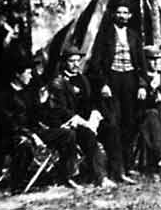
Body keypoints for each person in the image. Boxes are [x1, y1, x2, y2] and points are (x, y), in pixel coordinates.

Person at [0, 53, 79, 191]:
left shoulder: (29, 91)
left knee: (68, 134)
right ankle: (17, 182)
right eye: (28, 73)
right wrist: (31, 135)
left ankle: (66, 175)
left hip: (35, 132)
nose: (31, 76)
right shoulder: (5, 95)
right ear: (18, 74)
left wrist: (44, 104)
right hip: (13, 136)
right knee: (24, 144)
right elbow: (10, 124)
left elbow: (39, 116)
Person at [89, 0, 148, 181]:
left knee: (129, 124)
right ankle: (116, 168)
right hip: (112, 80)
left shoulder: (134, 36)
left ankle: (128, 166)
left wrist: (142, 85)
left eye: (126, 13)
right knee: (114, 123)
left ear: (130, 15)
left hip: (130, 80)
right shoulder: (104, 35)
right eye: (119, 12)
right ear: (114, 14)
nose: (122, 16)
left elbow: (142, 63)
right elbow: (96, 63)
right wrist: (103, 84)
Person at [42, 46, 117, 187]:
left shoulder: (83, 79)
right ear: (64, 62)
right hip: (69, 124)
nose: (76, 64)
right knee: (88, 135)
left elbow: (90, 102)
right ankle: (100, 177)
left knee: (110, 129)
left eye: (78, 61)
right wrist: (83, 122)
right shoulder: (58, 82)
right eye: (72, 61)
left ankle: (116, 171)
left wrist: (94, 114)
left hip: (85, 121)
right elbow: (61, 110)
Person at [0, 13, 27, 185]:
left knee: (14, 128)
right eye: (14, 24)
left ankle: (17, 171)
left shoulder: (19, 39)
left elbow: (21, 61)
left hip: (14, 89)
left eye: (18, 25)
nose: (17, 28)